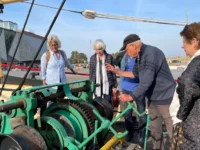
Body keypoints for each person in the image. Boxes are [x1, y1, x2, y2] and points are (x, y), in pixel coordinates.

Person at [106, 34, 176, 150]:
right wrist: (116, 71)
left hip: (165, 97)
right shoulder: (139, 57)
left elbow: (145, 81)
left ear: (133, 46)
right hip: (153, 98)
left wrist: (130, 97)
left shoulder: (150, 54)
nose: (126, 53)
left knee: (172, 129)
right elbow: (134, 74)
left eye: (126, 50)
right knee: (154, 129)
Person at [170, 22, 200, 150]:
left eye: (184, 42)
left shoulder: (197, 62)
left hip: (194, 129)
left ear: (194, 42)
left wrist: (180, 115)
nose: (182, 46)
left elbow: (187, 84)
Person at [118, 52, 146, 145]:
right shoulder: (125, 57)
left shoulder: (141, 56)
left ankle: (141, 136)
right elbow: (122, 73)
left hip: (139, 90)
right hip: (126, 89)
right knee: (127, 114)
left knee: (141, 114)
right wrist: (121, 89)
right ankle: (129, 134)